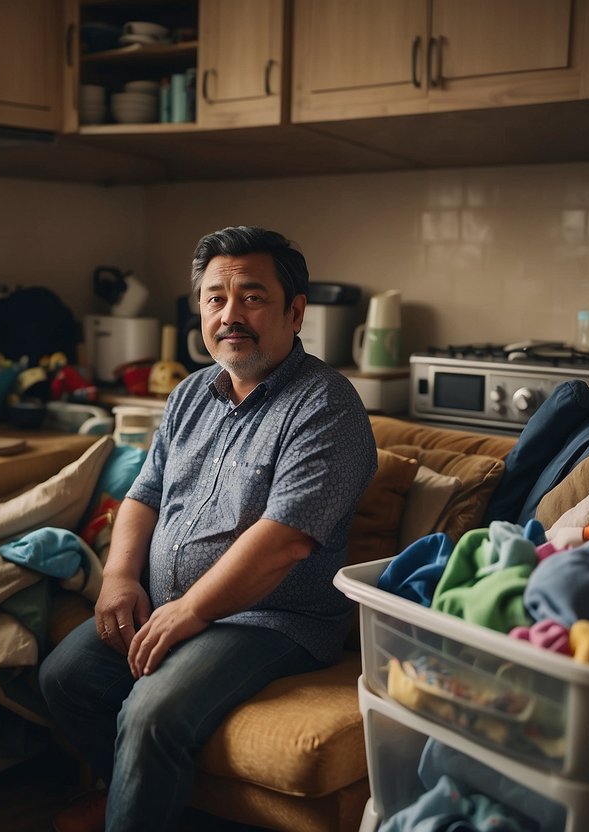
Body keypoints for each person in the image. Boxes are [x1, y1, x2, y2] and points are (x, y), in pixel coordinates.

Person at [39, 226, 377, 832]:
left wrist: (192, 609)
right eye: (215, 298)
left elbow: (286, 540)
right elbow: (142, 495)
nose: (230, 314)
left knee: (152, 713)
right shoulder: (191, 392)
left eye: (251, 296)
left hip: (272, 619)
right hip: (173, 603)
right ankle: (146, 804)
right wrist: (118, 578)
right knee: (66, 677)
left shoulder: (327, 405)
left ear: (295, 311)